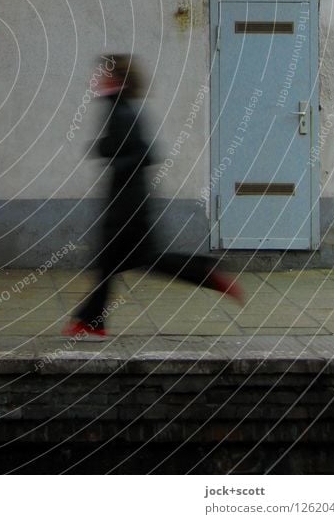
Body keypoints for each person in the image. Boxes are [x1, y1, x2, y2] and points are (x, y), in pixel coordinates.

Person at [63, 54, 243, 339]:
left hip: (127, 207)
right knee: (118, 263)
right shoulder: (118, 108)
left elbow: (143, 154)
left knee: (133, 261)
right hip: (127, 203)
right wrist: (106, 148)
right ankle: (91, 321)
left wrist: (105, 151)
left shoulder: (123, 112)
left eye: (103, 75)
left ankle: (207, 273)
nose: (96, 79)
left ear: (117, 80)